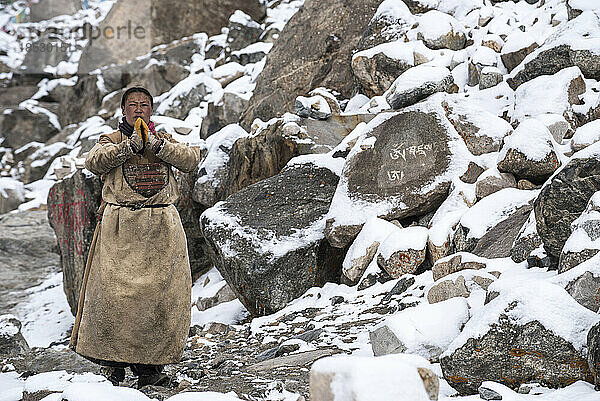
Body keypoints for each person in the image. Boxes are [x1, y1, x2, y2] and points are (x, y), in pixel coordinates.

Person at [70, 86, 201, 388]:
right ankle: (113, 364)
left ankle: (150, 367)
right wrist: (128, 148)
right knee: (115, 298)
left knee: (159, 298)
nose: (139, 109)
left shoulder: (163, 139)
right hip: (121, 227)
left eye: (144, 104)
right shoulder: (112, 140)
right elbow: (94, 161)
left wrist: (158, 147)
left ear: (151, 110)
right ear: (124, 111)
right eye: (132, 105)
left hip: (160, 227)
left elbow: (191, 159)